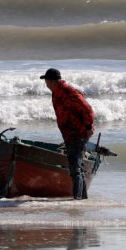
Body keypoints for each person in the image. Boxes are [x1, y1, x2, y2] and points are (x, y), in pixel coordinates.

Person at [40, 68, 95, 200]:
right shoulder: (56, 93)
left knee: (76, 169)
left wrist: (88, 127)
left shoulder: (69, 92)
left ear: (53, 81)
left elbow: (88, 110)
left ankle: (78, 200)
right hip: (69, 135)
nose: (46, 84)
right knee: (77, 169)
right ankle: (82, 198)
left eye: (47, 81)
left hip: (78, 134)